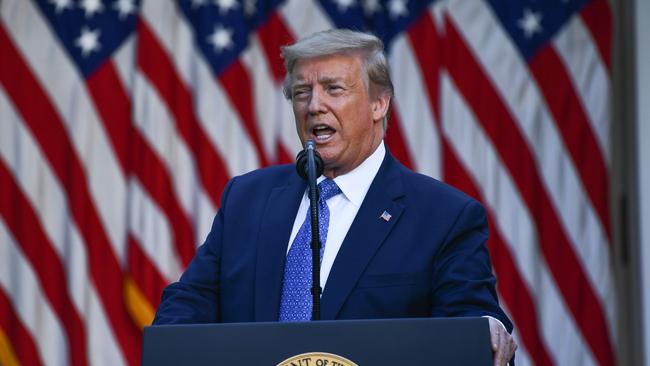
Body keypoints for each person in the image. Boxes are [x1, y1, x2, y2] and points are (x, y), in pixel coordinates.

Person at [154, 29, 517, 365]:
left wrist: (484, 328)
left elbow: (472, 321)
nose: (314, 106)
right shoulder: (247, 199)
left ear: (379, 104)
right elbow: (191, 300)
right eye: (301, 92)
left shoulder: (443, 216)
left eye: (334, 89)